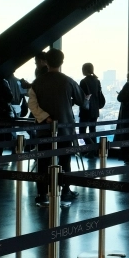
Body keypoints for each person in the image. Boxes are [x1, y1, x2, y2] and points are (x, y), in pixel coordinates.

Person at [27, 49, 86, 205]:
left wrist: (44, 117)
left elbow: (31, 104)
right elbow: (81, 101)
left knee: (43, 162)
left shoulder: (37, 82)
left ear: (46, 62)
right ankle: (65, 190)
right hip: (65, 128)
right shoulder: (68, 81)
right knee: (65, 160)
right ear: (62, 62)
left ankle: (42, 194)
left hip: (43, 129)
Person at [79, 63, 104, 149]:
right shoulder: (97, 81)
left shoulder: (83, 81)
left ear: (85, 70)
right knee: (92, 130)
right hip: (95, 110)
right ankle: (94, 150)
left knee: (82, 131)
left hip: (86, 110)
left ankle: (91, 149)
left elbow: (81, 96)